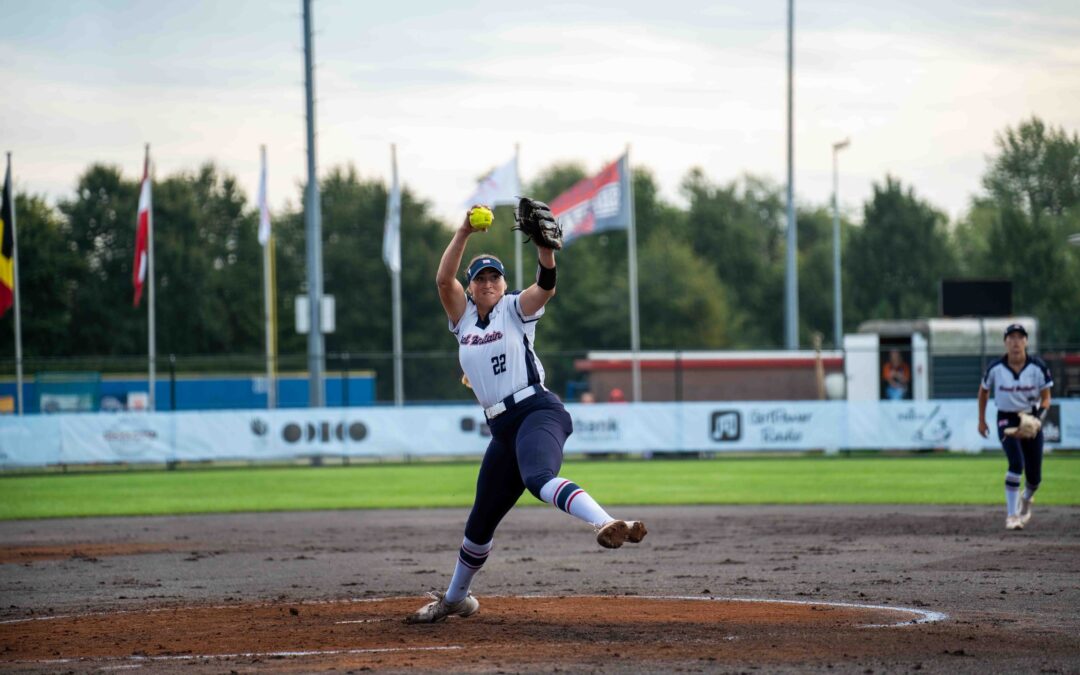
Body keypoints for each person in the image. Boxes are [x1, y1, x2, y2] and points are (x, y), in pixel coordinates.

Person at [406, 204, 647, 624]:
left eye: (494, 276)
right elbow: (443, 279)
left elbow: (546, 287)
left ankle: (609, 522)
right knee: (480, 522)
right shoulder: (462, 321)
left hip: (538, 410)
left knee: (538, 478)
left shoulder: (515, 308)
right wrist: (463, 230)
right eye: (480, 277)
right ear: (471, 286)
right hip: (502, 429)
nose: (487, 282)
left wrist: (545, 252)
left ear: (503, 284)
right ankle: (454, 600)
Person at [977, 323, 1053, 531]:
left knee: (1035, 477)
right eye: (1011, 338)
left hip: (1030, 417)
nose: (1016, 342)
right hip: (1006, 418)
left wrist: (1038, 418)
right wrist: (981, 420)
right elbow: (983, 392)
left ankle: (1026, 500)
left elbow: (1046, 398)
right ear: (1005, 342)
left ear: (1026, 342)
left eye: (1020, 337)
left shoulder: (1038, 367)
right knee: (1016, 462)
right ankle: (1012, 515)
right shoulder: (996, 368)